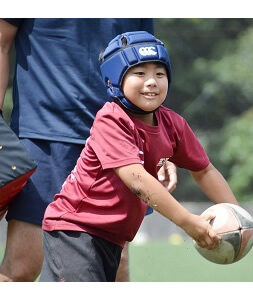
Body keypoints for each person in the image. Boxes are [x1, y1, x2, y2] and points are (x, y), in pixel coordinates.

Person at [39, 31, 239, 282]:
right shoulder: (111, 119)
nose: (152, 81)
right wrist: (188, 222)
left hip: (110, 238)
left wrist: (237, 217)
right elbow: (137, 180)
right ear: (114, 79)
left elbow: (204, 170)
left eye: (160, 73)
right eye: (140, 73)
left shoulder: (173, 123)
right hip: (74, 229)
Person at [0, 18, 178, 282]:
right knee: (22, 266)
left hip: (117, 139)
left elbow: (147, 67)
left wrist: (160, 145)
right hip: (45, 135)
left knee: (115, 269)